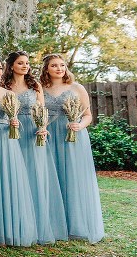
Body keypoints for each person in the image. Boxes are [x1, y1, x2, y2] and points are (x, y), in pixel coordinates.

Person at [2, 51, 68, 244]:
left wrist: (42, 127)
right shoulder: (4, 86)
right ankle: (16, 223)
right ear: (12, 66)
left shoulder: (34, 85)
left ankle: (37, 224)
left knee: (35, 175)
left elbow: (42, 110)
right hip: (12, 131)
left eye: (27, 63)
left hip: (32, 131)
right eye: (20, 63)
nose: (25, 66)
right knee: (16, 176)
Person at [40, 54, 104, 243]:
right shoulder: (41, 89)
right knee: (52, 176)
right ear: (46, 69)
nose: (59, 68)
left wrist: (80, 125)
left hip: (73, 134)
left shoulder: (77, 88)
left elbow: (87, 115)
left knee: (73, 177)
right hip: (50, 133)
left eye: (62, 65)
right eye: (54, 66)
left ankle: (77, 224)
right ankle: (54, 223)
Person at [0, 56, 37, 247]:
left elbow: (16, 119)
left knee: (5, 181)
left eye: (0, 68)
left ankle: (8, 230)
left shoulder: (8, 94)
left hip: (4, 140)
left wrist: (14, 123)